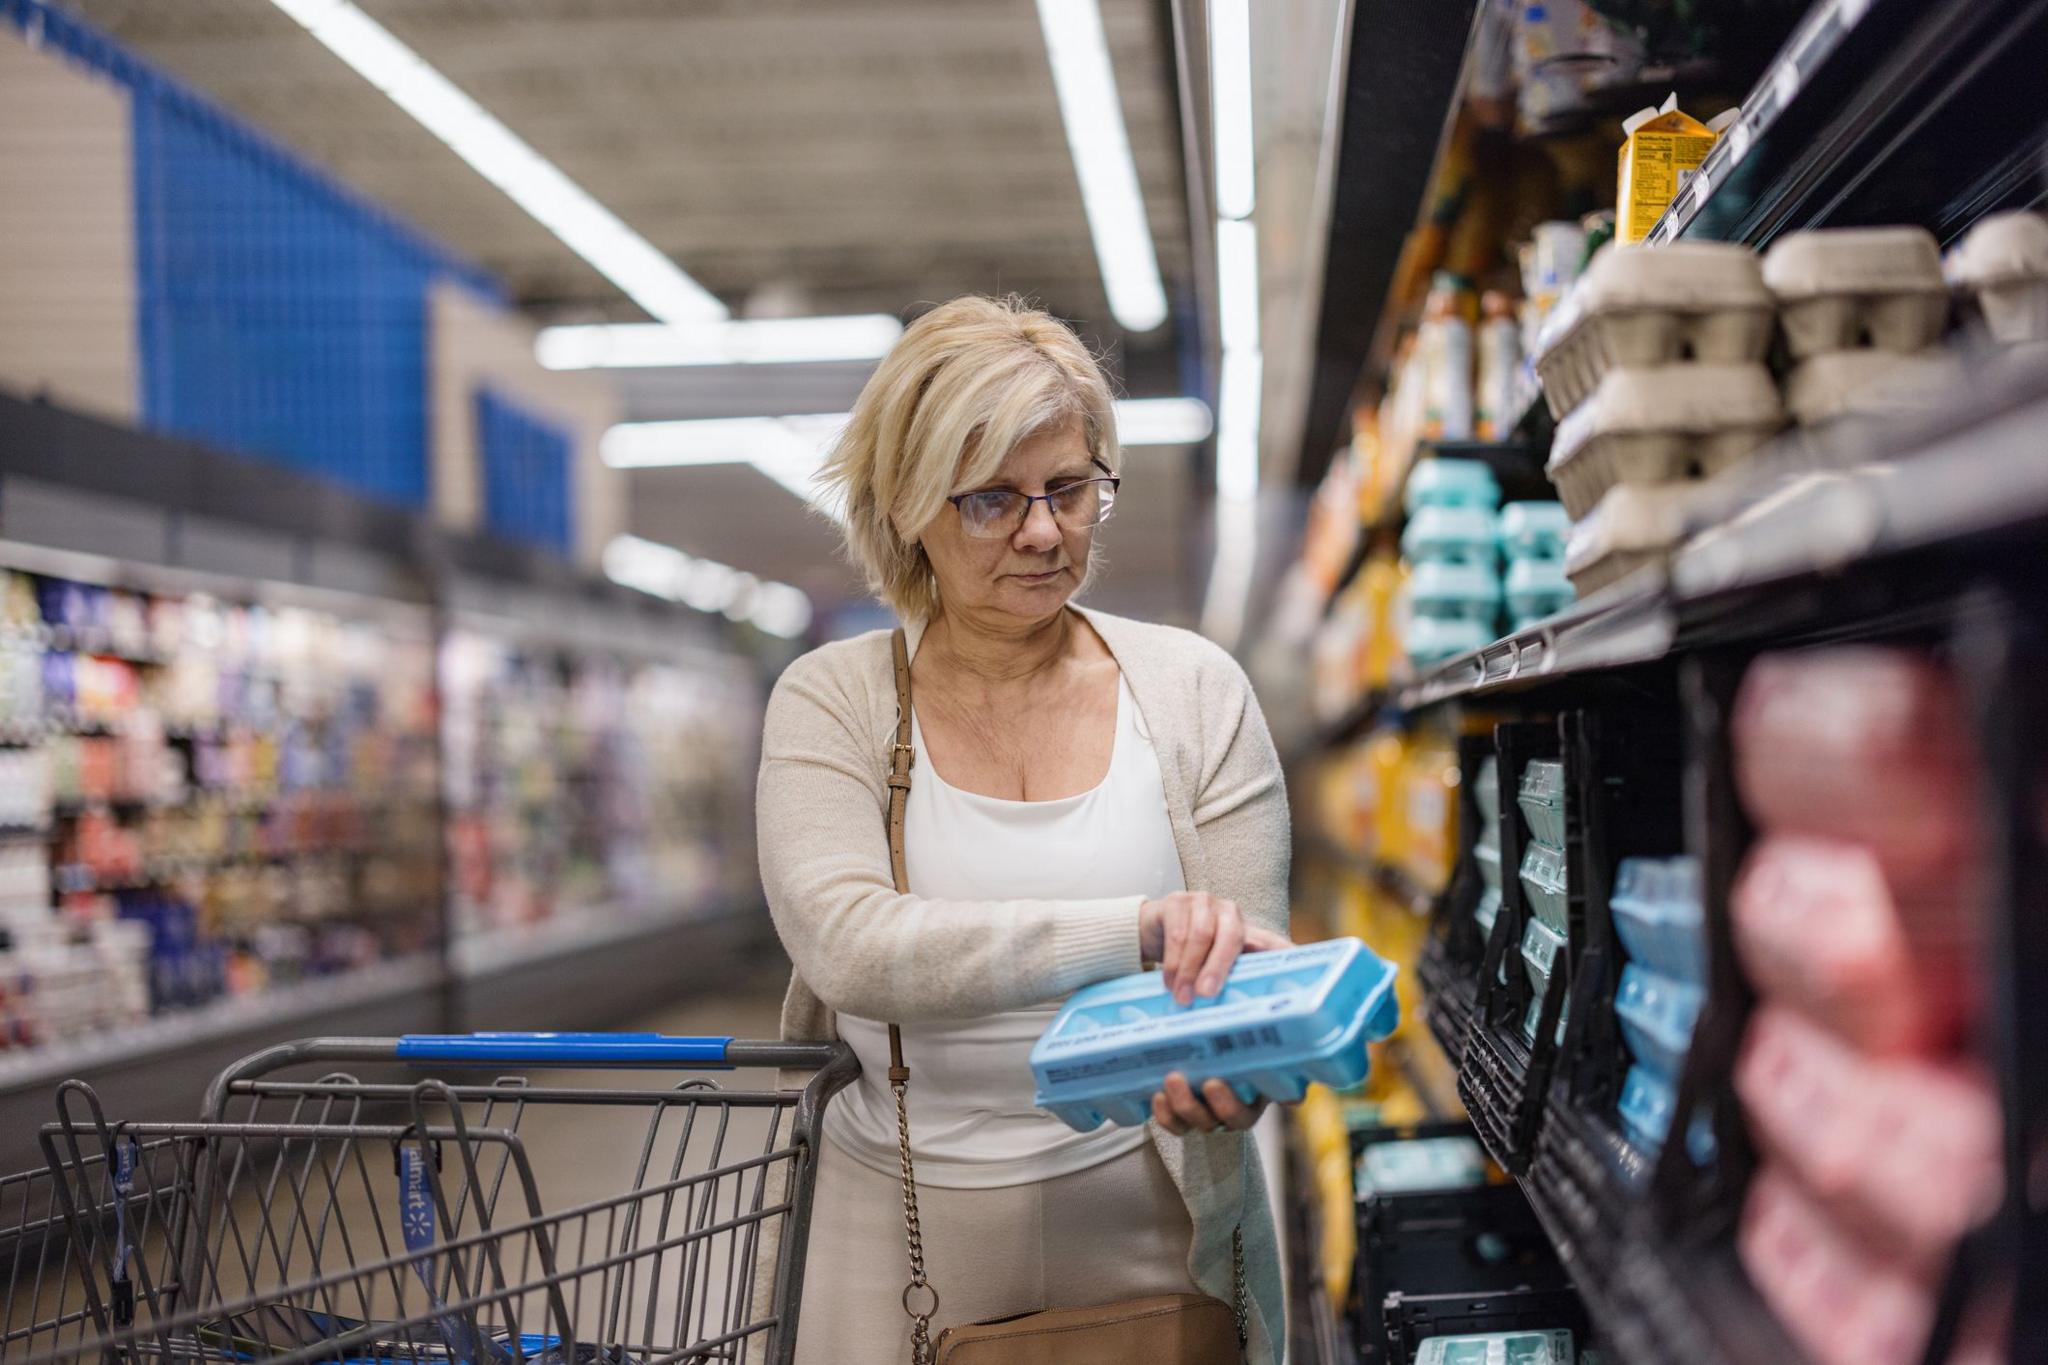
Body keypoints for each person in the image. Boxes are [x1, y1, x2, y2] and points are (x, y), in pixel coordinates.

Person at [757, 295, 1292, 1363]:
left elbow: (1246, 981)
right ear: (908, 506)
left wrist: (1236, 1074)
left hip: (1155, 1226)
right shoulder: (834, 701)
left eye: (1069, 487)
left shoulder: (1191, 693)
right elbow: (848, 943)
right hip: (894, 1240)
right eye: (992, 500)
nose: (1045, 531)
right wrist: (1135, 929)